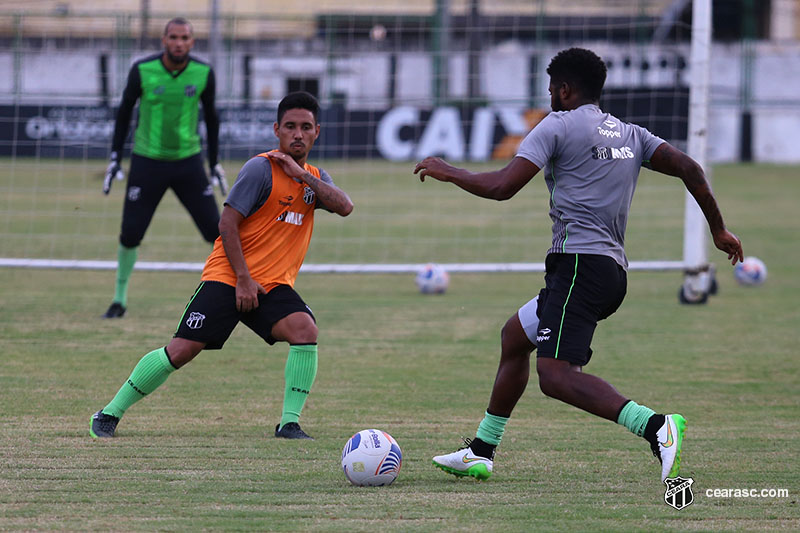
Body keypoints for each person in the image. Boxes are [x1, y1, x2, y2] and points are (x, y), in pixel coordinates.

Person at [414, 48, 743, 482]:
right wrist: (718, 230)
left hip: (579, 268)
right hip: (608, 271)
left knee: (554, 376)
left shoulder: (557, 124)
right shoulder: (630, 134)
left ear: (565, 90)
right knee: (515, 338)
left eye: (552, 89)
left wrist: (447, 170)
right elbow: (689, 167)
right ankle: (481, 450)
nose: (550, 96)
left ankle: (655, 426)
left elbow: (502, 187)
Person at [91, 91, 354, 440]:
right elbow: (226, 224)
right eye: (290, 126)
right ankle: (109, 413)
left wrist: (302, 175)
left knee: (305, 330)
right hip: (229, 276)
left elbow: (345, 206)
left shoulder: (315, 178)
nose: (297, 134)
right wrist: (243, 279)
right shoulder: (260, 169)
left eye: (305, 127)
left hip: (272, 285)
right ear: (277, 129)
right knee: (182, 350)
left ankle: (289, 424)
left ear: (316, 132)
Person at [102, 17, 228, 319]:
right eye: (173, 37)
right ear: (164, 40)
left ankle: (232, 292)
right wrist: (115, 156)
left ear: (191, 42)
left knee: (218, 231)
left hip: (189, 163)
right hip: (147, 162)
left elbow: (211, 118)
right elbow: (123, 114)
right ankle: (119, 299)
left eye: (184, 37)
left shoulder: (203, 73)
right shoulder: (142, 70)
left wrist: (214, 162)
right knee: (131, 233)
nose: (179, 42)